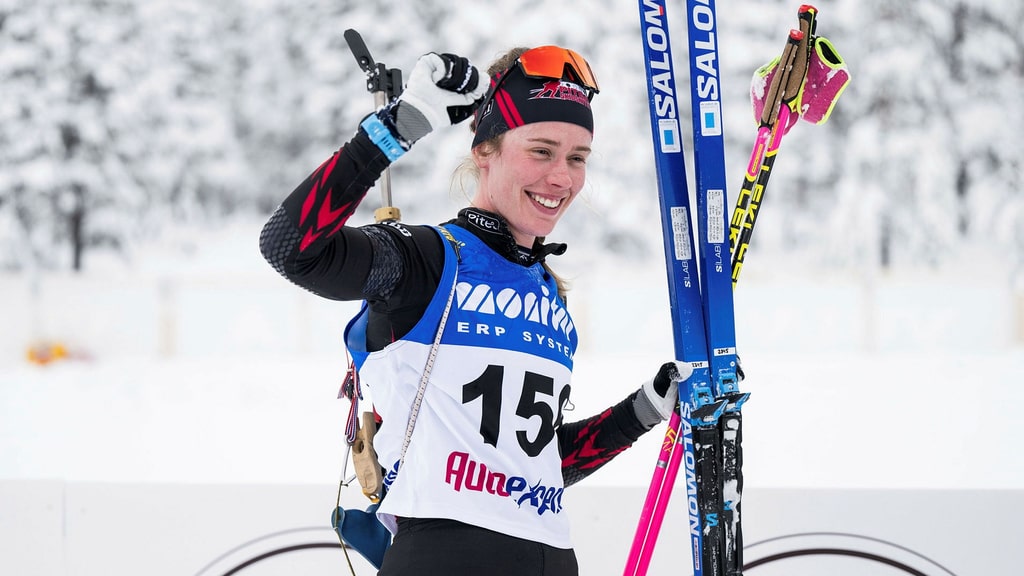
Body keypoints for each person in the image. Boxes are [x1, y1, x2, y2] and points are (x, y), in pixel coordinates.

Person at [259, 45, 691, 576]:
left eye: (577, 158)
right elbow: (290, 248)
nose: (562, 177)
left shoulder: (549, 298)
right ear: (486, 150)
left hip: (552, 558)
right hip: (444, 558)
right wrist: (399, 126)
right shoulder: (425, 261)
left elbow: (535, 469)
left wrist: (644, 409)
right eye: (542, 151)